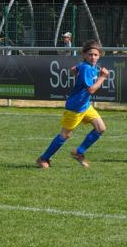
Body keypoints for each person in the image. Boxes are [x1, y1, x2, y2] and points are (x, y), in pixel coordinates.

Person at [35, 39, 109, 169]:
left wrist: (77, 74)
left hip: (85, 105)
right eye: (90, 54)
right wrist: (102, 77)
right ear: (84, 55)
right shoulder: (87, 68)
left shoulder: (87, 65)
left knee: (101, 128)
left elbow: (73, 69)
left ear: (99, 56)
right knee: (65, 134)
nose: (93, 57)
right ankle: (43, 158)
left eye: (96, 55)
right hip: (75, 107)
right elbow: (91, 90)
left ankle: (78, 152)